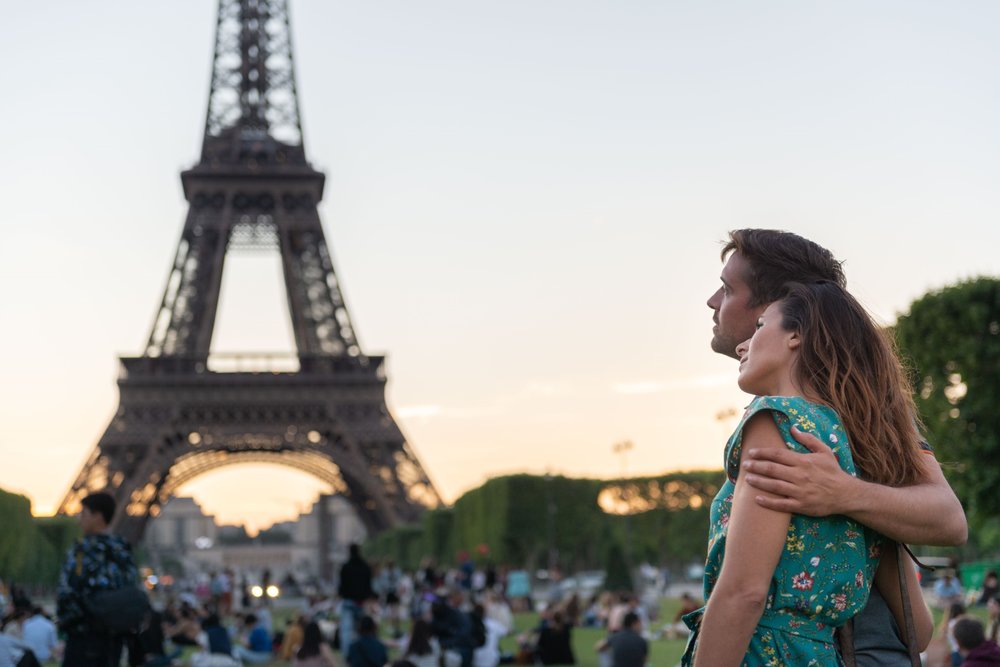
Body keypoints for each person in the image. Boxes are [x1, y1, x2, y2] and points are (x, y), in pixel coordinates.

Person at [704, 229, 965, 665]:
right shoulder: (822, 415)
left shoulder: (827, 416)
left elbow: (949, 518)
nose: (713, 301)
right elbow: (918, 627)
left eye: (728, 289)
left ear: (788, 314)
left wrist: (843, 493)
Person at [57, 491, 139, 667]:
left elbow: (67, 592)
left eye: (83, 513)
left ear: (98, 516)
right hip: (114, 638)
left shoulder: (81, 551)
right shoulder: (123, 550)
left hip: (82, 636)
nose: (79, 519)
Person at [338, 543, 374, 656]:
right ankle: (363, 653)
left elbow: (342, 585)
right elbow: (369, 585)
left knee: (347, 631)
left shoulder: (345, 567)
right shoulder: (365, 567)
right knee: (363, 631)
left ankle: (348, 654)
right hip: (362, 602)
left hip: (348, 601)